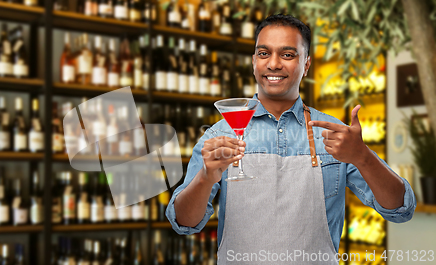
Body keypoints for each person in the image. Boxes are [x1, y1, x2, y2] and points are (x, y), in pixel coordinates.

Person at [165, 14, 416, 264]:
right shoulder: (219, 136)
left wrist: (363, 157)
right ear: (254, 62)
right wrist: (205, 178)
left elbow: (400, 209)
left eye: (287, 55)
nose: (273, 64)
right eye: (264, 53)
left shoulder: (336, 135)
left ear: (306, 64)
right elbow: (184, 224)